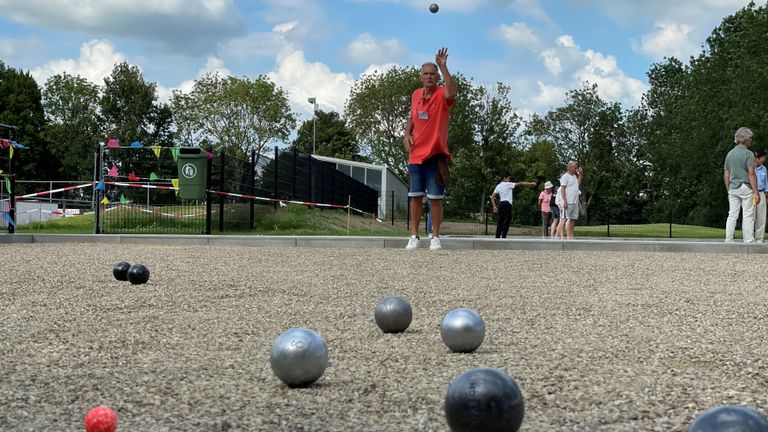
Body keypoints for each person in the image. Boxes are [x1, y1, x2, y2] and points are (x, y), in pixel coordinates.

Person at [404, 48, 457, 250]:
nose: (429, 77)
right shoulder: (416, 94)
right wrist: (407, 133)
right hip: (415, 155)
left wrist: (443, 66)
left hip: (435, 155)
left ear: (436, 77)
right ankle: (414, 236)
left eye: (432, 74)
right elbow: (412, 116)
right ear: (420, 76)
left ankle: (435, 236)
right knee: (415, 197)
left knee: (435, 199)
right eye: (426, 73)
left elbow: (452, 91)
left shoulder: (442, 94)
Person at [724, 127, 760, 243]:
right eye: (750, 139)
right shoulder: (748, 154)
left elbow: (726, 174)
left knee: (732, 214)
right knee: (748, 214)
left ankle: (728, 239)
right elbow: (751, 174)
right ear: (744, 140)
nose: (751, 141)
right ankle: (748, 240)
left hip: (733, 188)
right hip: (745, 187)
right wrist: (756, 192)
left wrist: (728, 190)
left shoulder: (730, 154)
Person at [490, 172, 536, 238]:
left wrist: (494, 206)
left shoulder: (498, 186)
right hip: (507, 204)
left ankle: (497, 236)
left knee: (500, 220)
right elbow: (520, 183)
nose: (509, 179)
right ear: (504, 178)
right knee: (507, 220)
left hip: (501, 204)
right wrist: (531, 183)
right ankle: (503, 236)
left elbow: (492, 197)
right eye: (508, 178)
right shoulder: (508, 184)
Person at [556, 161, 583, 240]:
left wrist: (580, 175)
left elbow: (577, 184)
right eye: (574, 167)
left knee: (572, 219)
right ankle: (561, 237)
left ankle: (571, 236)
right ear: (569, 167)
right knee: (563, 219)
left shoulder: (574, 176)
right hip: (568, 202)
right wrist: (565, 201)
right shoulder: (565, 177)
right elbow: (562, 190)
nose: (576, 169)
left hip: (575, 202)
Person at [755, 149, 767, 243]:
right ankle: (749, 238)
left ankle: (759, 240)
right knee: (750, 217)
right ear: (757, 158)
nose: (764, 160)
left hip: (761, 193)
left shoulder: (764, 169)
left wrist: (766, 196)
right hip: (752, 193)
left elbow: (766, 183)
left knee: (761, 217)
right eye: (762, 158)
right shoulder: (750, 168)